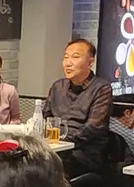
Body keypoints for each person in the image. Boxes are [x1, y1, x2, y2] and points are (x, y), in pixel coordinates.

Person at [42, 38, 112, 167]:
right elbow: (45, 117)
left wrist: (64, 142)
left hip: (84, 152)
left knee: (44, 166)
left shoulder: (101, 88)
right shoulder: (57, 86)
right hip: (56, 147)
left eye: (75, 57)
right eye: (66, 57)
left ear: (90, 62)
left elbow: (93, 128)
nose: (68, 63)